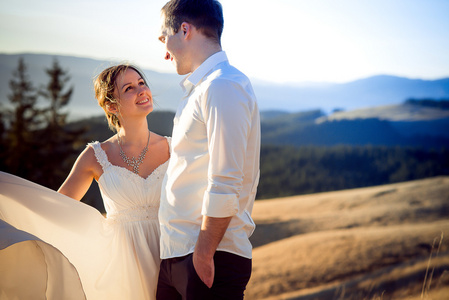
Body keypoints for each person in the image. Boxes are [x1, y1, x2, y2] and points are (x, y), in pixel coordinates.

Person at [0, 64, 170, 299]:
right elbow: (58, 207)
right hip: (123, 266)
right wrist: (11, 197)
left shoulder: (175, 147)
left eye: (142, 83)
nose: (141, 90)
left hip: (172, 255)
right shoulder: (95, 156)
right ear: (111, 105)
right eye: (129, 88)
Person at [156, 1, 261, 299]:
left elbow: (227, 179)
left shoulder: (223, 86)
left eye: (165, 38)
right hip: (178, 255)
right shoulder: (202, 89)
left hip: (208, 256)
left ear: (184, 30)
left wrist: (202, 253)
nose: (165, 51)